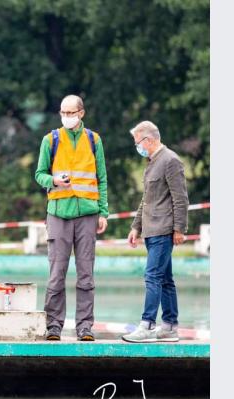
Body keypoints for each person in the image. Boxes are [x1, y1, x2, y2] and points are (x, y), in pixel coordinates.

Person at [34, 95, 109, 341]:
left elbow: (102, 178)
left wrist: (103, 212)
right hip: (58, 213)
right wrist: (52, 180)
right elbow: (39, 174)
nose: (66, 117)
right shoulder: (50, 140)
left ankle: (85, 327)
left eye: (71, 112)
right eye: (63, 113)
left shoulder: (94, 140)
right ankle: (53, 325)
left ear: (81, 113)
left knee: (86, 274)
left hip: (88, 214)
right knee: (57, 273)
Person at [122, 121, 189, 343]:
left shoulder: (170, 160)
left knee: (152, 276)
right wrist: (135, 226)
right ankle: (169, 326)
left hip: (163, 229)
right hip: (150, 230)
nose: (137, 147)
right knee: (166, 279)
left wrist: (179, 228)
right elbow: (147, 199)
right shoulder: (152, 162)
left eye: (137, 142)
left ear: (148, 140)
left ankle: (147, 325)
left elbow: (180, 199)